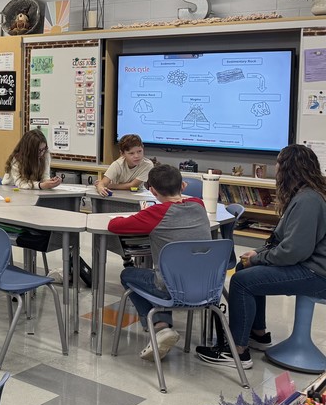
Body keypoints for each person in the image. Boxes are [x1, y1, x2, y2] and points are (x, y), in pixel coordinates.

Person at [197, 144, 326, 368]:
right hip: (311, 266)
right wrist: (257, 253)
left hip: (315, 274)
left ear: (289, 169)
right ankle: (258, 334)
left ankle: (237, 351)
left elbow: (294, 251)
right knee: (244, 268)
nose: (275, 169)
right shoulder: (307, 194)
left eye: (278, 164)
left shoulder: (308, 201)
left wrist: (258, 258)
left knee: (241, 282)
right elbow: (283, 240)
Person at [109, 165, 211, 361]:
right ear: (183, 185)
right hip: (206, 287)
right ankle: (162, 326)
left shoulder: (155, 213)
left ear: (152, 191)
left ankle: (159, 327)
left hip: (172, 289)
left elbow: (115, 226)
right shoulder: (199, 205)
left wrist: (142, 214)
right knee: (161, 275)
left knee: (128, 275)